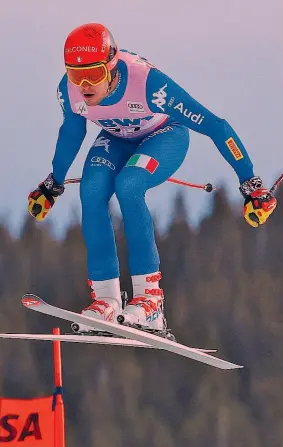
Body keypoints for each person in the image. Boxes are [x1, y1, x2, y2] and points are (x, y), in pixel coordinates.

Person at [28, 23, 277, 337]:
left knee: (129, 185)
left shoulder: (149, 86)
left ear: (112, 66)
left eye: (93, 74)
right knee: (91, 190)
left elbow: (216, 126)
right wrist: (53, 184)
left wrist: (251, 184)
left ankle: (151, 302)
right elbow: (72, 131)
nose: (85, 85)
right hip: (117, 137)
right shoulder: (70, 89)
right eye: (77, 76)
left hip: (164, 136)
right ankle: (106, 300)